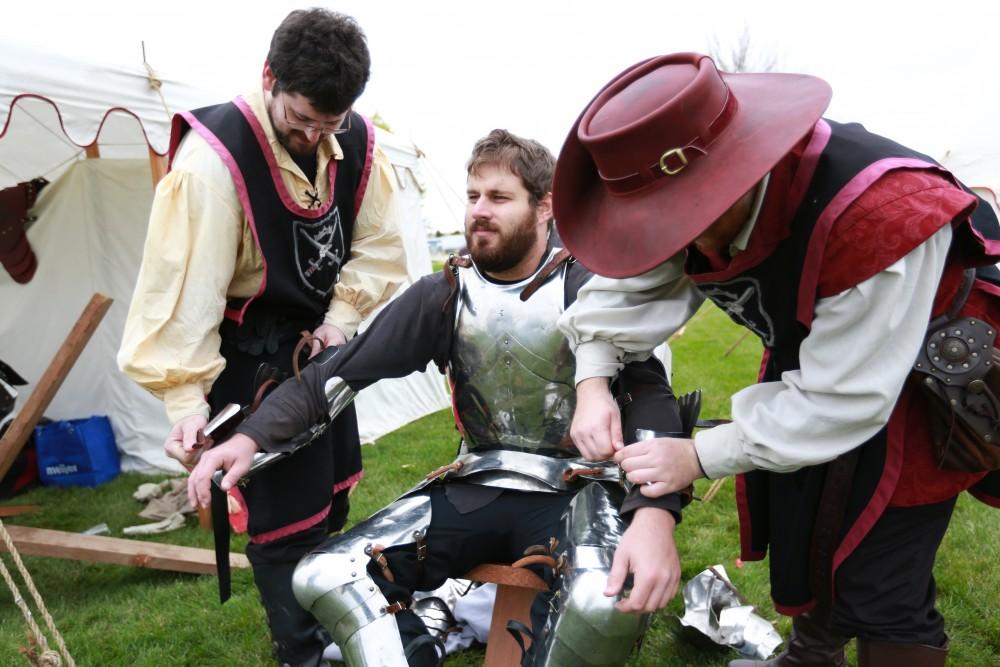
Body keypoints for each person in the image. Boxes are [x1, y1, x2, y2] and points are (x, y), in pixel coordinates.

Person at [550, 52, 1000, 666]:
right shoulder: (678, 208)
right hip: (820, 363)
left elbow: (843, 399)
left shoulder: (882, 217)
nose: (680, 242)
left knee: (881, 567)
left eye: (686, 214)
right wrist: (593, 382)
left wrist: (697, 455)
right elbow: (618, 302)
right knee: (806, 522)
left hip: (931, 380)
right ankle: (812, 656)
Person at [186, 129, 691, 666]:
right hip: (480, 483)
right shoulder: (448, 291)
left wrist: (654, 510)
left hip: (582, 488)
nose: (479, 211)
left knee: (600, 601)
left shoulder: (592, 289)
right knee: (326, 573)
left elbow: (653, 400)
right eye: (474, 196)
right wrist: (250, 437)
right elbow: (334, 374)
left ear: (545, 207)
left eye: (499, 198)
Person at [117, 9, 407, 665]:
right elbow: (182, 294)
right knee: (282, 530)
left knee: (330, 509)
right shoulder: (211, 165)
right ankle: (300, 652)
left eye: (327, 125)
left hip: (324, 357)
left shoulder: (355, 142)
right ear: (269, 77)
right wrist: (186, 404)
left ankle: (334, 632)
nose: (313, 136)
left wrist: (341, 317)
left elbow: (379, 247)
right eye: (301, 119)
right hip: (250, 372)